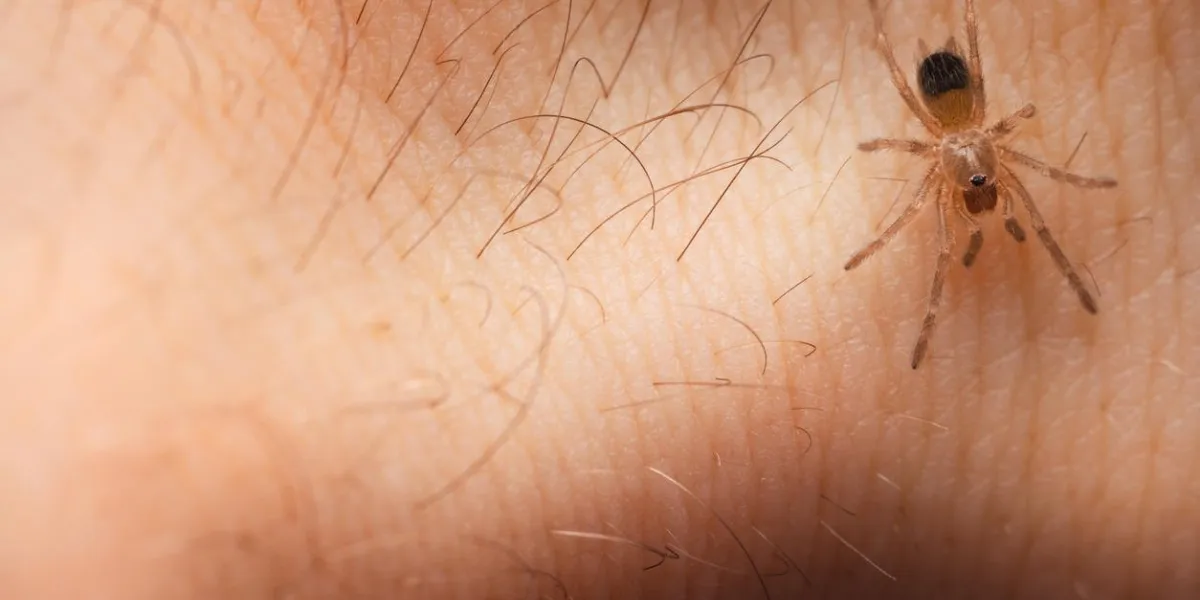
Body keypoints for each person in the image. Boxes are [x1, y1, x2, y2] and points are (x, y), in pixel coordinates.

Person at [2, 0, 1194, 598]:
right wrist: (925, 269)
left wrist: (1056, 183)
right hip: (938, 117)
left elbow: (1043, 164)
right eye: (977, 174)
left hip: (952, 113)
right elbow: (914, 215)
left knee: (1021, 210)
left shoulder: (987, 147)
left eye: (982, 172)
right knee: (926, 246)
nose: (984, 187)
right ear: (963, 145)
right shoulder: (942, 158)